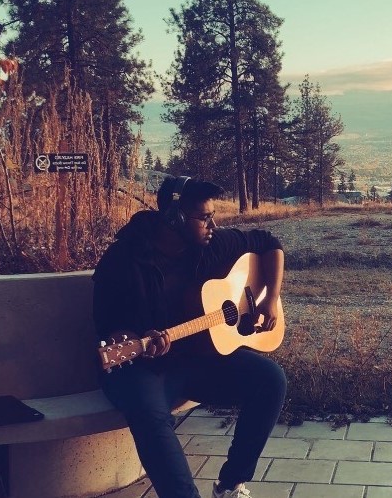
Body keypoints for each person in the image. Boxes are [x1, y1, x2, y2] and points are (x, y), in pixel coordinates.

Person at [93, 175, 287, 498]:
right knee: (150, 416)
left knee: (271, 380)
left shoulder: (208, 246)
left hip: (194, 359)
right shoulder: (123, 261)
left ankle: (230, 485)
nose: (213, 224)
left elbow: (269, 244)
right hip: (140, 367)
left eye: (213, 216)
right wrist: (140, 340)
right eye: (204, 217)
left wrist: (271, 297)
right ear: (174, 218)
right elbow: (107, 329)